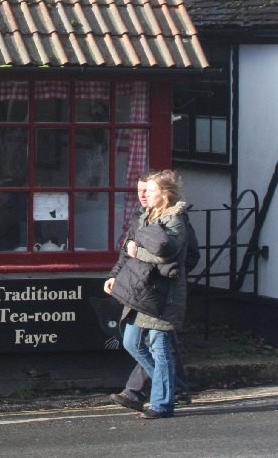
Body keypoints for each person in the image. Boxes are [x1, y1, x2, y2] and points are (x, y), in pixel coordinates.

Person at [104, 169, 190, 419]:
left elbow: (166, 254)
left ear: (163, 195)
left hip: (164, 294)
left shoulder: (176, 220)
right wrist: (114, 275)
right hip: (141, 289)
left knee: (160, 349)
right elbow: (128, 248)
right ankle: (170, 388)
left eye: (150, 191)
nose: (145, 195)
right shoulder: (145, 217)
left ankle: (162, 404)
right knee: (131, 342)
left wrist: (136, 252)